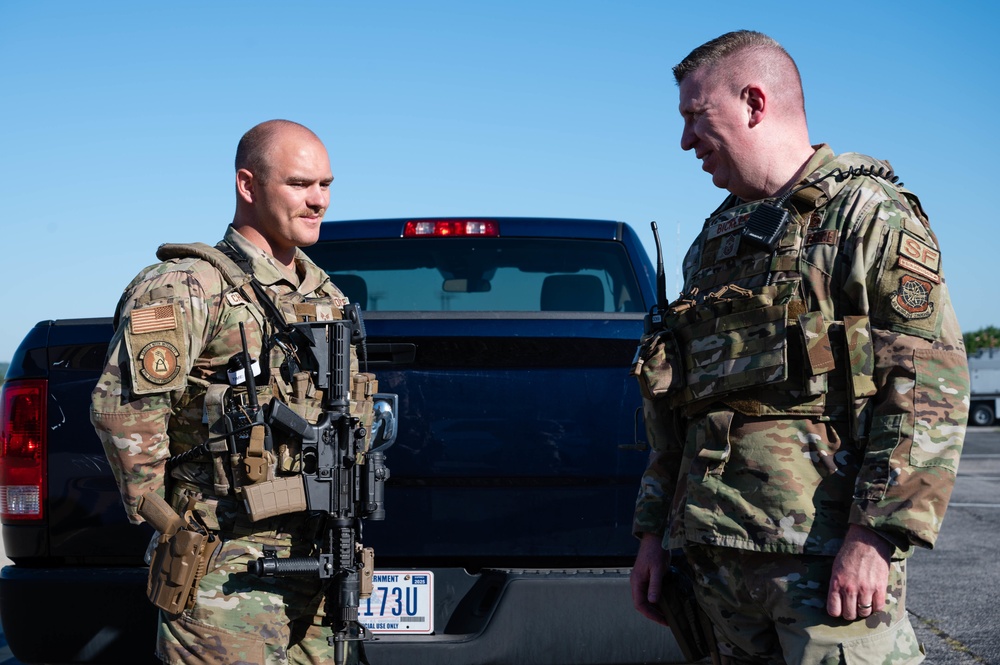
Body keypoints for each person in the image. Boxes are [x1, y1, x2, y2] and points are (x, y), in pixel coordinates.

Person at [630, 31, 969, 664]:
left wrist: (874, 537)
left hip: (826, 566)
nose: (684, 141)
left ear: (754, 103)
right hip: (719, 563)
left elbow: (926, 392)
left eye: (695, 117)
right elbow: (677, 408)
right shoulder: (715, 241)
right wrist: (654, 536)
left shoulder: (868, 216)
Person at [91, 119, 374, 665]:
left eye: (326, 185)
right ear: (248, 185)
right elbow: (124, 409)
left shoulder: (327, 295)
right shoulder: (188, 285)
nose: (318, 201)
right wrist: (172, 525)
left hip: (319, 559)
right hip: (227, 570)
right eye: (299, 184)